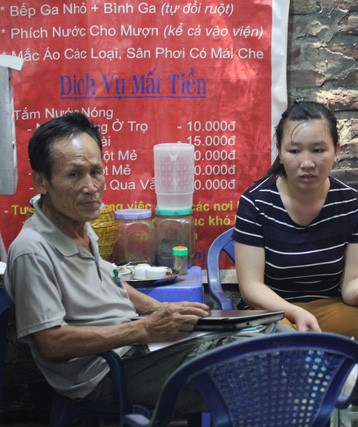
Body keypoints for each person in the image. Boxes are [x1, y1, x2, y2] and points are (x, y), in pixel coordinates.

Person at [4, 112, 247, 415]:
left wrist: (160, 310)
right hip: (106, 371)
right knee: (247, 361)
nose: (91, 186)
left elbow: (111, 277)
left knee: (268, 332)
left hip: (137, 349)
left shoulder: (79, 227)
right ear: (42, 181)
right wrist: (145, 328)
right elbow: (52, 342)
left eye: (96, 171)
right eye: (74, 174)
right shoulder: (32, 251)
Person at [232, 100, 358, 359]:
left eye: (318, 150)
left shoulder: (352, 204)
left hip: (327, 307)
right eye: (294, 151)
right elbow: (251, 288)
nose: (307, 162)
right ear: (280, 153)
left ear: (336, 150)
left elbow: (352, 281)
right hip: (271, 313)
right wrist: (293, 312)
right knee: (285, 339)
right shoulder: (255, 203)